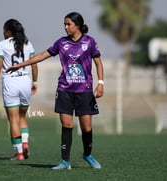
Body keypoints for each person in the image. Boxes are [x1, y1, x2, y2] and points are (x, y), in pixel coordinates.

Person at [6, 12, 104, 169]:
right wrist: (20, 65)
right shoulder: (61, 43)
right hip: (64, 89)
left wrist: (100, 83)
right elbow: (42, 55)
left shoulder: (89, 42)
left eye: (68, 24)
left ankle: (87, 154)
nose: (65, 27)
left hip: (84, 90)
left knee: (87, 127)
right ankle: (65, 161)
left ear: (77, 25)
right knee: (67, 124)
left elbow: (98, 63)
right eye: (64, 24)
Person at [0, 19, 38, 160]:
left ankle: (19, 153)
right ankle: (25, 143)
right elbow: (34, 65)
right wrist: (35, 82)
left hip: (11, 83)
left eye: (4, 31)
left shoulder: (3, 44)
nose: (3, 34)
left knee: (13, 120)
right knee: (22, 117)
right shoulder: (27, 44)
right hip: (25, 81)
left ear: (8, 31)